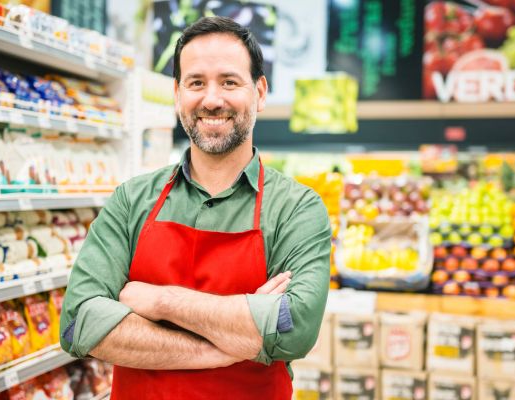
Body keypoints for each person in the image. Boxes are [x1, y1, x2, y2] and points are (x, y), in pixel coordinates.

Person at [59, 16, 332, 400]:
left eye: (230, 82)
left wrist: (159, 301)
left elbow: (292, 329)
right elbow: (78, 325)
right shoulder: (131, 201)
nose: (212, 99)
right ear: (177, 93)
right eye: (196, 82)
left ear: (260, 91)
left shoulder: (296, 209)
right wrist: (225, 346)